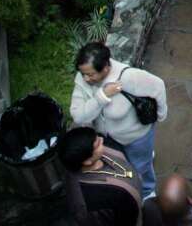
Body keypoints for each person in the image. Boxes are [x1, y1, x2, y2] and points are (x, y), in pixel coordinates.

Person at [70, 42, 168, 200]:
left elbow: (158, 86)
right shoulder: (83, 79)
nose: (86, 78)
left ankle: (147, 192)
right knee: (128, 165)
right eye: (83, 73)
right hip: (110, 140)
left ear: (106, 68)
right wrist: (102, 96)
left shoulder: (129, 77)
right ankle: (145, 159)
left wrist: (161, 114)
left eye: (91, 74)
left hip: (136, 137)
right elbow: (79, 116)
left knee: (141, 167)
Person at [59, 127, 149, 226]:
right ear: (87, 161)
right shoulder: (91, 201)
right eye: (98, 144)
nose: (102, 139)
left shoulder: (101, 147)